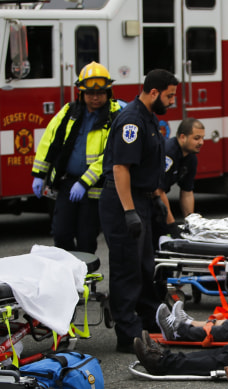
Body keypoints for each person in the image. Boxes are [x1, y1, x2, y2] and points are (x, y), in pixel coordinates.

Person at [100, 68, 178, 352]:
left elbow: (147, 167)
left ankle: (149, 319)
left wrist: (154, 198)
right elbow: (121, 168)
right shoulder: (132, 120)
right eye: (169, 96)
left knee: (145, 266)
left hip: (141, 199)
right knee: (127, 268)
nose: (172, 102)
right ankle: (127, 332)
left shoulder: (147, 118)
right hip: (124, 201)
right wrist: (129, 210)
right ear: (154, 92)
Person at [31, 61, 122, 254]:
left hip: (94, 189)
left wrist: (84, 181)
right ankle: (68, 273)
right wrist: (39, 174)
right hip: (66, 184)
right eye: (90, 93)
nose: (95, 97)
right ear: (81, 93)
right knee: (60, 233)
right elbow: (49, 140)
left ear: (108, 93)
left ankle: (84, 279)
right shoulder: (69, 111)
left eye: (100, 93)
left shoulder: (115, 116)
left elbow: (110, 155)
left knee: (86, 239)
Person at [154, 117, 204, 240]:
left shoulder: (191, 157)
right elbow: (159, 191)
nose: (201, 142)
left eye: (202, 138)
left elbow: (187, 192)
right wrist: (171, 225)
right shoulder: (168, 153)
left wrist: (190, 223)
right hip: (144, 200)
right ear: (182, 137)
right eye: (196, 138)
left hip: (157, 199)